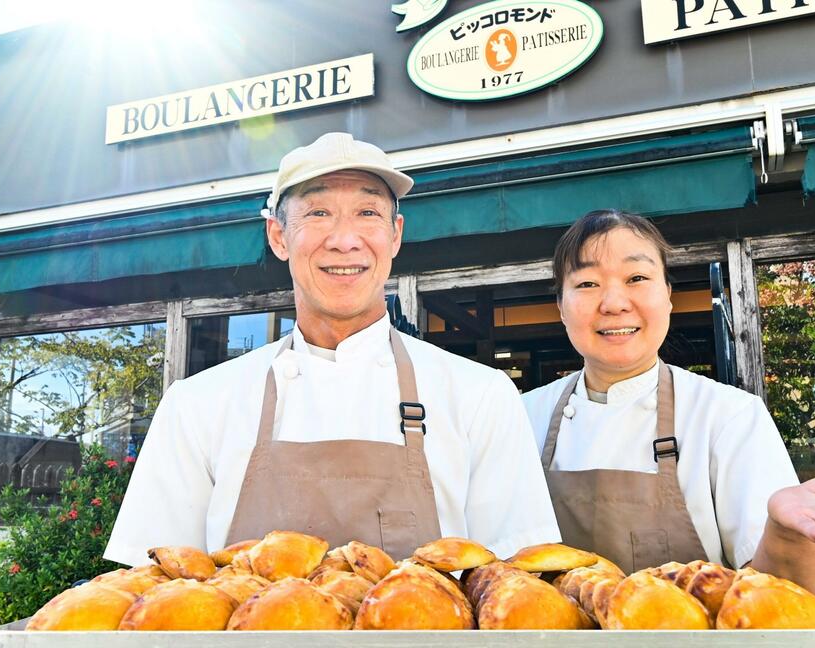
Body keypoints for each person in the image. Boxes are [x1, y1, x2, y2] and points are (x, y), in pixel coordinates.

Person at [105, 132, 560, 566]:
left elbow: (514, 591)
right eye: (318, 212)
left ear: (395, 235)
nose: (345, 239)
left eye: (367, 212)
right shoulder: (197, 404)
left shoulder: (481, 396)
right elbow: (153, 595)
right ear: (278, 236)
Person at [522, 209, 815, 594]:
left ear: (668, 297)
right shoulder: (519, 416)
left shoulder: (729, 415)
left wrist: (787, 535)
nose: (614, 302)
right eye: (587, 283)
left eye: (636, 278)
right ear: (561, 306)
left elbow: (783, 593)